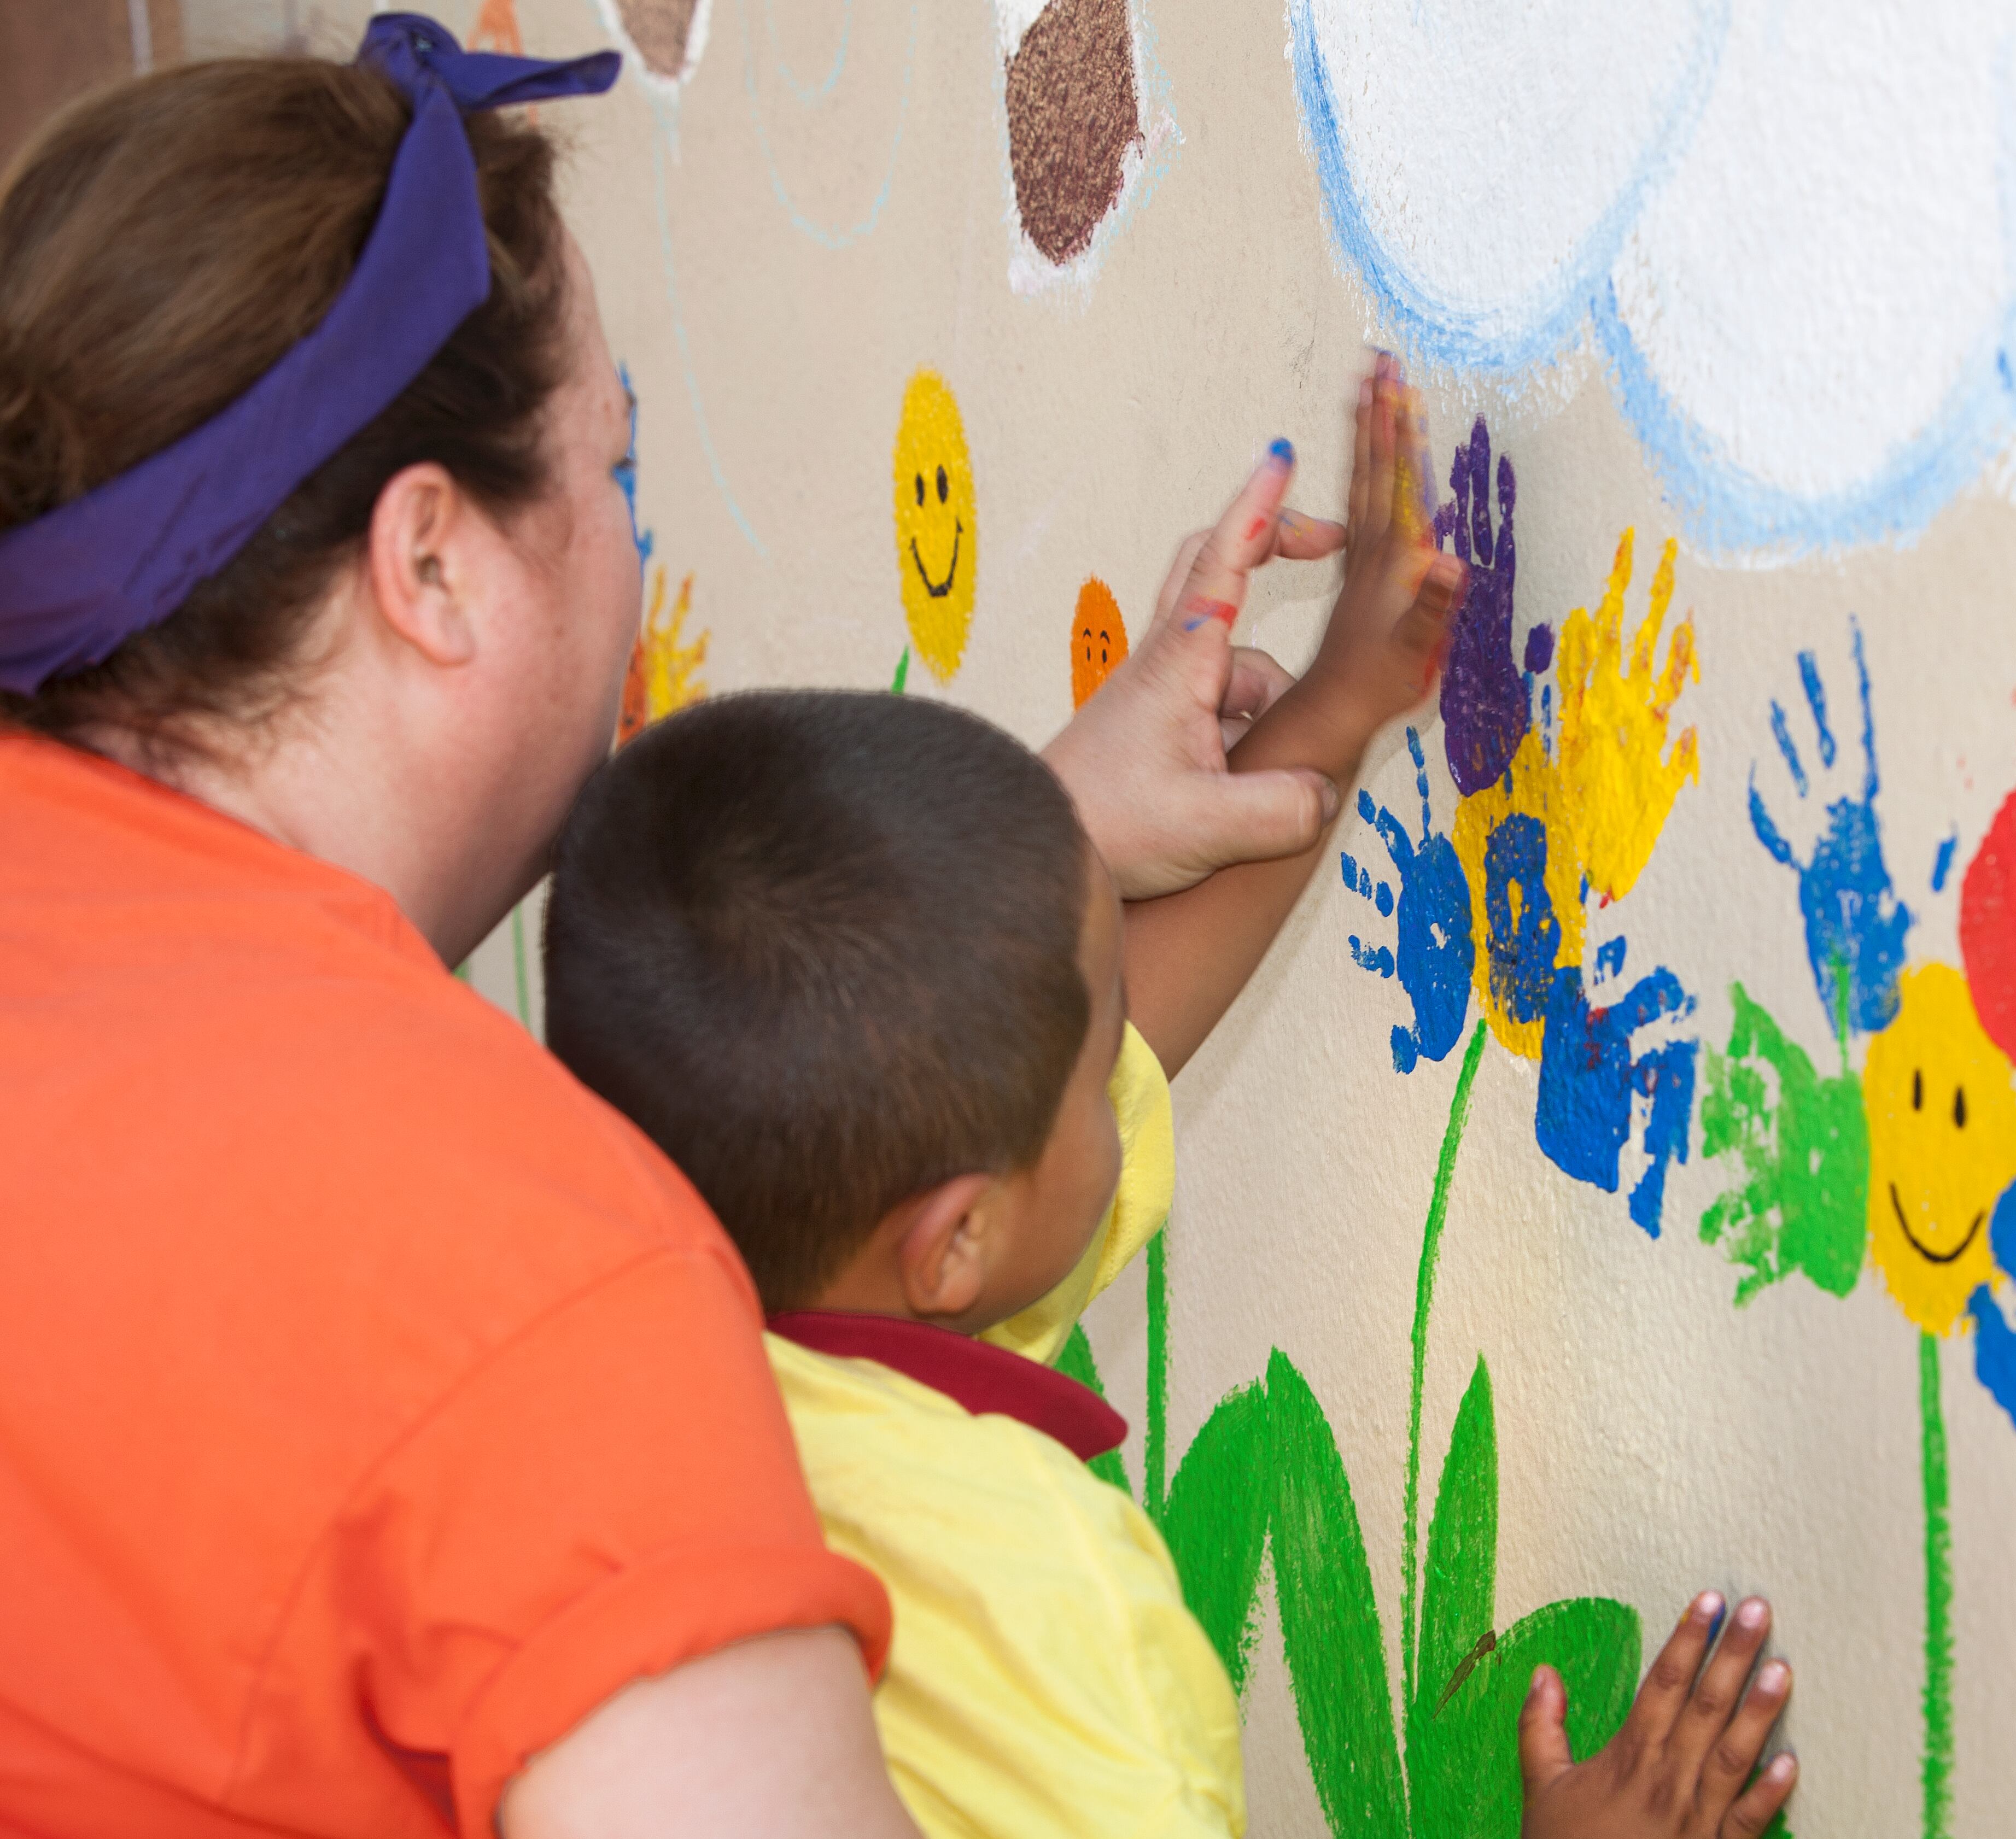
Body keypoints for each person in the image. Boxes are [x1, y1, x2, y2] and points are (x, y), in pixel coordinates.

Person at [0, 16, 1797, 1839]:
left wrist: (1155, 791)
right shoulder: (548, 1293)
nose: (634, 558)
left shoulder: (664, 1149)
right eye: (617, 481)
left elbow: (975, 1089)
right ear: (433, 564)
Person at [537, 368, 1801, 1839]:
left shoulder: (701, 1342)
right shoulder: (1060, 1629)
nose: (1132, 1042)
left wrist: (1342, 697)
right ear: (952, 1244)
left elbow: (1093, 1019)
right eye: (1095, 1061)